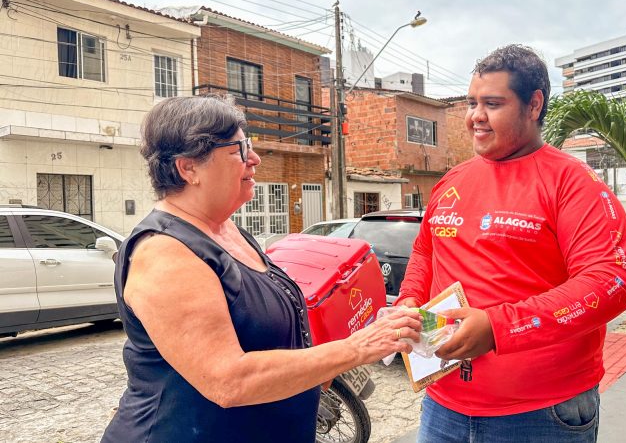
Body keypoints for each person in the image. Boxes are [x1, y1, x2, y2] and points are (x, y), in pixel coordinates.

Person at [102, 95, 421, 442]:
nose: (253, 159)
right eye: (238, 150)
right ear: (188, 168)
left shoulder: (228, 230)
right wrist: (357, 348)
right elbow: (228, 380)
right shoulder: (165, 253)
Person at [395, 45, 626, 442]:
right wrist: (408, 299)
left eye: (492, 103)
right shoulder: (452, 180)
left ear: (534, 104)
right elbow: (426, 251)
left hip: (540, 415)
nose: (476, 116)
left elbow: (610, 283)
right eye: (472, 103)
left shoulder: (574, 183)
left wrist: (497, 327)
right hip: (442, 407)